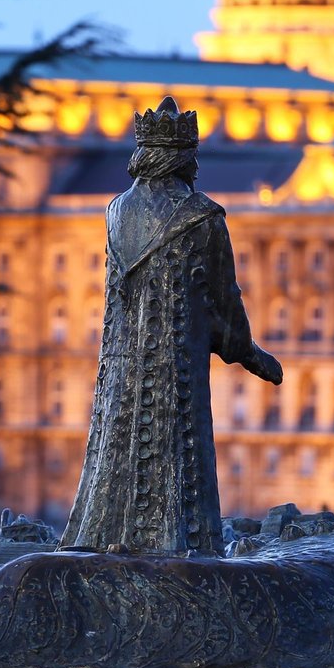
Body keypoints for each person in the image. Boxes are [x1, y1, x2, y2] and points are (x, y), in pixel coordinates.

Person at [63, 97, 282, 555]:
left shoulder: (116, 212)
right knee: (177, 450)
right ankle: (179, 543)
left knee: (118, 444)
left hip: (120, 365)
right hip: (175, 364)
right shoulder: (203, 216)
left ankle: (106, 538)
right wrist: (250, 354)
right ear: (185, 159)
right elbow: (226, 301)